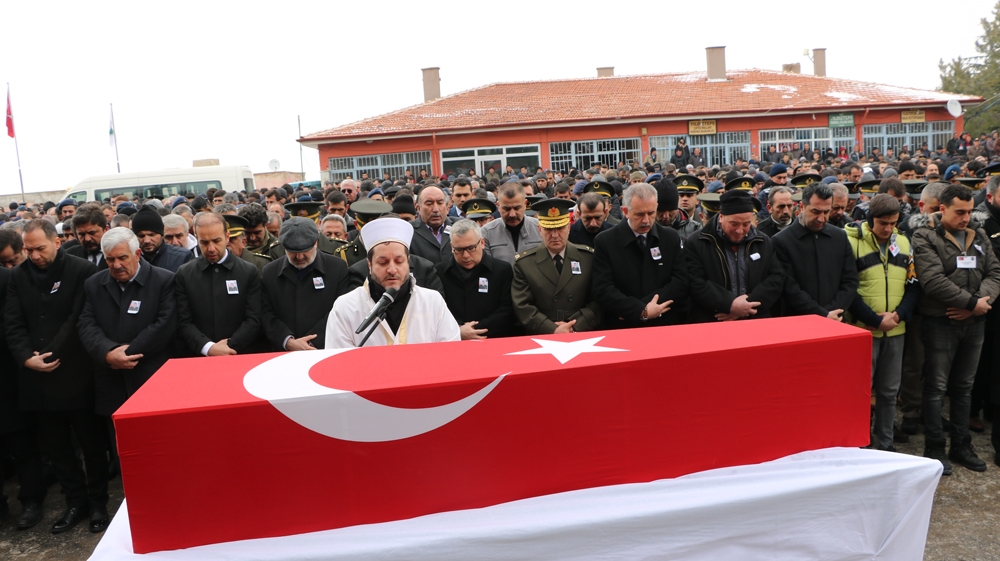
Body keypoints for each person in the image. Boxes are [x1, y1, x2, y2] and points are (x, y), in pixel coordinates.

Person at [3, 220, 109, 534]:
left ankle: (98, 501)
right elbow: (13, 321)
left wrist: (49, 353)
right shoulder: (17, 277)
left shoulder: (81, 272)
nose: (33, 255)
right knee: (57, 447)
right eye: (28, 249)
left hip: (76, 373)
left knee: (91, 445)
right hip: (37, 379)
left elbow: (79, 319)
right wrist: (25, 357)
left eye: (39, 248)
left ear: (57, 242)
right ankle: (74, 501)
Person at [77, 227, 177, 489]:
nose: (116, 265)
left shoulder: (164, 280)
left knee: (161, 449)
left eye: (122, 258)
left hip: (151, 380)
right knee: (124, 452)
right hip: (112, 382)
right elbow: (86, 325)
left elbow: (164, 325)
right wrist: (108, 353)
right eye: (110, 259)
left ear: (138, 254)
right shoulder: (94, 284)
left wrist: (127, 353)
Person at [912, 184, 1000, 474]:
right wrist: (972, 302)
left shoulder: (979, 234)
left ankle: (962, 445)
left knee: (964, 387)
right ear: (942, 209)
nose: (966, 218)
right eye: (959, 212)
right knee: (937, 387)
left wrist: (976, 305)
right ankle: (935, 446)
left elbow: (995, 272)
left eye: (969, 211)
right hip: (941, 322)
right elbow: (932, 280)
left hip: (974, 322)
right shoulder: (924, 235)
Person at [844, 195, 919, 451]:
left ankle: (885, 442)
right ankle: (861, 442)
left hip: (896, 330)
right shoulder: (851, 242)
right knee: (861, 393)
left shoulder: (904, 241)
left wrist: (898, 315)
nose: (888, 229)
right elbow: (847, 290)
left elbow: (912, 285)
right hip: (863, 330)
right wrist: (873, 319)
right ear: (869, 219)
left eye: (893, 223)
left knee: (889, 391)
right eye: (882, 223)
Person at [325, 217, 460, 347]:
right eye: (382, 262)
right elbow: (338, 361)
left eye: (399, 261)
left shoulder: (432, 301)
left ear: (408, 262)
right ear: (369, 265)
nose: (392, 269)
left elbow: (450, 353)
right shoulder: (345, 307)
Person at [592, 183, 688, 328]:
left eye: (651, 213)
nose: (646, 220)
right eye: (639, 214)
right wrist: (639, 310)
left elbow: (680, 281)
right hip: (623, 326)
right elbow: (603, 288)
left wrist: (649, 306)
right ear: (625, 211)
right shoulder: (605, 241)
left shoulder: (670, 237)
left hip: (663, 323)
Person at [685, 190, 785, 323]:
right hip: (713, 320)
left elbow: (775, 278)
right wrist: (729, 304)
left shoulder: (763, 241)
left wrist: (745, 306)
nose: (740, 230)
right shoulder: (698, 242)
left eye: (746, 224)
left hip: (755, 319)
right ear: (721, 217)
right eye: (734, 224)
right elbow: (695, 282)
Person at [174, 213, 262, 357]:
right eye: (204, 242)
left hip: (239, 354)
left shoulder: (248, 271)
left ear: (227, 237)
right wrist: (208, 348)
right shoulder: (185, 274)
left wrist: (228, 346)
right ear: (196, 238)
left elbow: (254, 318)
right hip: (199, 357)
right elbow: (183, 321)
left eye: (216, 241)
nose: (211, 248)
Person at [511, 198, 603, 334]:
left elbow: (598, 299)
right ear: (539, 230)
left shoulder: (587, 257)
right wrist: (553, 329)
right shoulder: (524, 263)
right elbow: (523, 306)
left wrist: (574, 326)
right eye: (548, 229)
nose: (554, 235)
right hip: (543, 333)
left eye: (559, 228)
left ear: (568, 228)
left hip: (581, 330)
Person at [0, 265, 47, 530]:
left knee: (22, 445)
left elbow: (12, 324)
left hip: (7, 378)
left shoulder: (6, 278)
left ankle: (31, 499)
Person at [260, 217, 351, 351]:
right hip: (283, 353)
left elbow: (340, 311)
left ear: (316, 243)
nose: (300, 257)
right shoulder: (270, 272)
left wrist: (311, 343)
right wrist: (288, 341)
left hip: (324, 350)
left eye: (305, 250)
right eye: (293, 252)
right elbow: (266, 314)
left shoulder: (337, 268)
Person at [772, 183, 859, 319]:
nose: (821, 218)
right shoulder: (782, 241)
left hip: (836, 319)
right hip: (799, 323)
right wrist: (822, 315)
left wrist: (833, 312)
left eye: (826, 212)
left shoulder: (839, 236)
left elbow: (850, 280)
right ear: (802, 207)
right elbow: (789, 288)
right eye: (816, 211)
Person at [435, 219, 516, 340]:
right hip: (453, 341)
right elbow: (436, 311)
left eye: (471, 248)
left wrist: (475, 330)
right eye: (459, 250)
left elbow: (507, 310)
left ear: (482, 243)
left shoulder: (501, 270)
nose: (466, 255)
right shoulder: (440, 272)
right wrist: (458, 330)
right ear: (452, 247)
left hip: (493, 340)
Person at [482, 182, 542, 264]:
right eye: (507, 209)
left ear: (525, 204)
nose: (512, 214)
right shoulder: (487, 233)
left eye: (517, 208)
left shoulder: (541, 229)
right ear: (498, 206)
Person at [129, 205, 193, 272]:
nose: (147, 241)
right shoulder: (129, 258)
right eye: (141, 236)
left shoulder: (183, 257)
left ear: (161, 234)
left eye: (151, 235)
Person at [410, 185, 453, 265]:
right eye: (429, 204)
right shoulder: (408, 231)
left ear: (447, 207)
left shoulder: (460, 226)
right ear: (418, 208)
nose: (436, 209)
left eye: (440, 203)